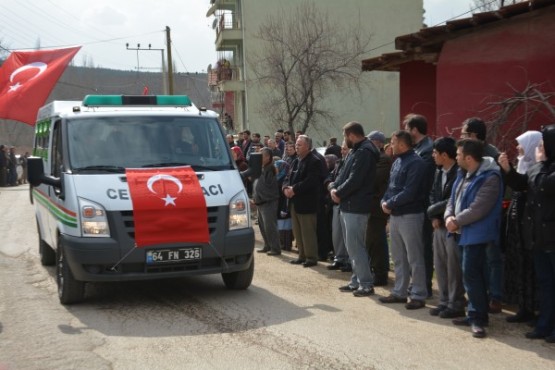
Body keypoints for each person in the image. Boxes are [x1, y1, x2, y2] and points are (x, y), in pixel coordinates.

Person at [499, 124, 555, 343]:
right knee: (546, 284)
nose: (539, 149)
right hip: (539, 238)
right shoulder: (540, 167)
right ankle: (545, 325)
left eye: (542, 145)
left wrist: (540, 163)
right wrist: (508, 170)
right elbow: (523, 184)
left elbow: (543, 185)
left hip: (551, 237)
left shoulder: (544, 169)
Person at [445, 139, 503, 339]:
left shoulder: (490, 178)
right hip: (462, 232)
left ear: (469, 158)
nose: (456, 157)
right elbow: (453, 200)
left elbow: (479, 208)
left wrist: (456, 221)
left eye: (459, 155)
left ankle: (479, 318)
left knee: (473, 274)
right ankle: (473, 313)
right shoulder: (463, 174)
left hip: (477, 234)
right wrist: (448, 216)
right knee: (469, 274)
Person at [379, 130, 428, 309]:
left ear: (401, 143)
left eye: (393, 142)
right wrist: (384, 201)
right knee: (399, 256)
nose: (390, 145)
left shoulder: (417, 163)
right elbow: (391, 187)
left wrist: (389, 203)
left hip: (411, 215)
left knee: (414, 256)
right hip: (396, 215)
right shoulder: (397, 161)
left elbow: (410, 191)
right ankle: (399, 292)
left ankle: (418, 294)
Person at [330, 122, 379, 297]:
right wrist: (334, 188)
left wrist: (339, 192)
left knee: (356, 246)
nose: (344, 140)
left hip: (356, 207)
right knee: (352, 247)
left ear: (351, 135)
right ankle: (356, 280)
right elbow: (343, 174)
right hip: (349, 204)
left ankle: (366, 283)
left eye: (345, 136)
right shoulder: (356, 151)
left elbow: (355, 179)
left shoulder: (364, 152)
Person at [460, 117, 503, 313]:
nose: (461, 137)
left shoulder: (493, 156)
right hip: (469, 218)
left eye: (464, 133)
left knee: (492, 258)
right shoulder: (465, 155)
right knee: (474, 263)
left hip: (488, 215)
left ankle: (495, 296)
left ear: (474, 135)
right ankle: (479, 298)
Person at [502, 130, 542, 324]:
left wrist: (507, 170)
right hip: (517, 225)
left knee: (532, 268)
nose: (518, 147)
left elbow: (521, 185)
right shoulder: (523, 164)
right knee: (519, 265)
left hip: (530, 227)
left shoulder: (539, 169)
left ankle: (536, 309)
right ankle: (523, 307)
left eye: (522, 144)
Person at [427, 137, 465, 318]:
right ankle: (443, 301)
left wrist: (433, 211)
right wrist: (434, 215)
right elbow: (433, 194)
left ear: (444, 155)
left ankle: (455, 303)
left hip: (452, 227)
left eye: (435, 153)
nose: (433, 155)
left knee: (453, 266)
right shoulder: (438, 171)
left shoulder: (459, 173)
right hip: (438, 225)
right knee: (440, 264)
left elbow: (452, 199)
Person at [404, 113, 435, 297]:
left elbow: (422, 182)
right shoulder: (419, 149)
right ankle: (417, 284)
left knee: (423, 248)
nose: (406, 132)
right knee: (415, 248)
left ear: (414, 130)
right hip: (416, 205)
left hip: (422, 206)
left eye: (408, 129)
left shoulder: (426, 151)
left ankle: (424, 286)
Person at [283, 135, 321, 267]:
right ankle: (302, 255)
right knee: (298, 231)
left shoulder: (314, 161)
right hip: (294, 201)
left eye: (299, 145)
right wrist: (285, 188)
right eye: (296, 145)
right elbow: (288, 177)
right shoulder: (296, 160)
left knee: (307, 231)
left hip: (306, 202)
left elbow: (311, 181)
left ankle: (311, 257)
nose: (296, 147)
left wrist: (294, 189)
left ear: (307, 146)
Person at [366, 130, 392, 286]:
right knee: (371, 241)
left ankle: (381, 273)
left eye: (371, 141)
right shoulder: (373, 158)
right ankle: (374, 270)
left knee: (377, 241)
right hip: (370, 206)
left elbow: (374, 179)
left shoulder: (383, 159)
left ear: (379, 143)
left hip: (377, 207)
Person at [325, 141, 351, 272]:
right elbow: (330, 177)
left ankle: (349, 260)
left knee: (347, 234)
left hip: (347, 202)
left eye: (345, 149)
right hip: (335, 202)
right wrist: (331, 186)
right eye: (342, 149)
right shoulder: (339, 163)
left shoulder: (352, 163)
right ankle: (339, 258)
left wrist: (338, 190)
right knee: (337, 233)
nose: (342, 151)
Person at [253, 148, 281, 256]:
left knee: (270, 226)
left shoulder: (271, 169)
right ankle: (267, 245)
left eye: (262, 155)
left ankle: (275, 248)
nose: (259, 157)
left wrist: (259, 196)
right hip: (260, 201)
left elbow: (268, 187)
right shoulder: (261, 168)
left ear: (268, 157)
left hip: (269, 201)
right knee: (262, 225)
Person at [275, 159, 292, 251]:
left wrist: (284, 208)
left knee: (285, 225)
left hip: (284, 205)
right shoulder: (277, 177)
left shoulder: (284, 178)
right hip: (278, 204)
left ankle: (286, 245)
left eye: (277, 167)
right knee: (281, 225)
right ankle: (282, 244)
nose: (275, 169)